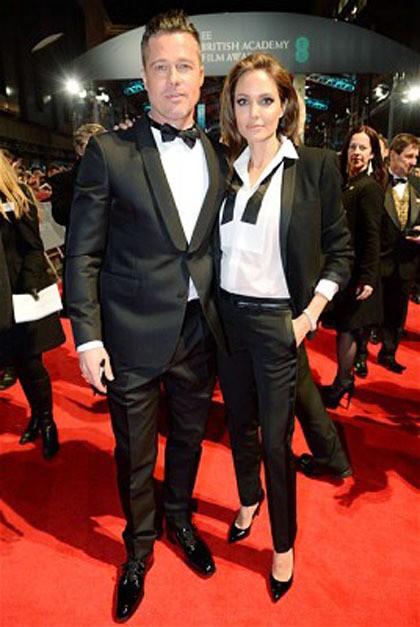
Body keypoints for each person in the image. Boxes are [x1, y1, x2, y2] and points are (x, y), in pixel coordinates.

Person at [65, 10, 226, 622]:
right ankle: (137, 550)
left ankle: (179, 518)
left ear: (201, 74)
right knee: (134, 452)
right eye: (161, 67)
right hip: (129, 335)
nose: (173, 78)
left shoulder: (218, 155)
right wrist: (87, 339)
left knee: (187, 438)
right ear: (144, 75)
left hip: (198, 331)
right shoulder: (109, 151)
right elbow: (83, 252)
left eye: (184, 66)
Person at [216, 53, 353, 602]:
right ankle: (249, 498)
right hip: (226, 320)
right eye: (243, 101)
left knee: (276, 442)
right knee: (239, 427)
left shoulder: (314, 167)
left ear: (285, 105)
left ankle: (282, 544)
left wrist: (308, 317)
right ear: (231, 108)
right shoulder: (223, 170)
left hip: (280, 323)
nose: (254, 112)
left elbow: (340, 252)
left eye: (265, 100)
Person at [0, 150, 64, 459]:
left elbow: (33, 248)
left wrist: (26, 289)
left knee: (30, 362)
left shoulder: (17, 196)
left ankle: (47, 422)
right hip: (3, 297)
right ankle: (38, 417)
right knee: (16, 360)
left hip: (20, 294)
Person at [321, 125, 385, 402]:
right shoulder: (347, 182)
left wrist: (368, 277)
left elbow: (372, 235)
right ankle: (343, 381)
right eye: (353, 146)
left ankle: (343, 383)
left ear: (372, 154)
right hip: (345, 269)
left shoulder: (369, 188)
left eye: (363, 148)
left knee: (347, 330)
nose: (356, 152)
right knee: (343, 329)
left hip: (358, 273)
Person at [377, 133, 420, 373]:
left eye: (416, 157)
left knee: (397, 313)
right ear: (393, 155)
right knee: (369, 312)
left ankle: (389, 353)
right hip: (379, 259)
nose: (413, 162)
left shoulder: (418, 184)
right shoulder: (377, 182)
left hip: (406, 262)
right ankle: (359, 355)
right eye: (409, 156)